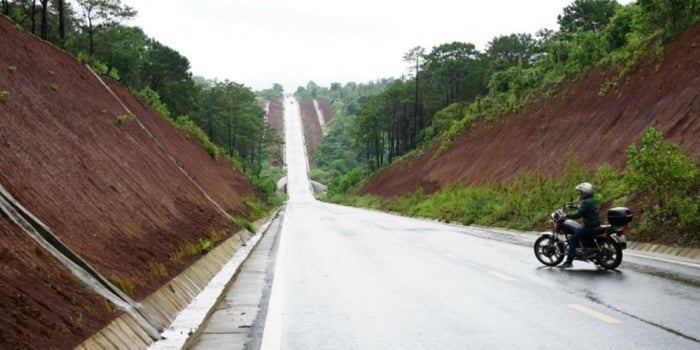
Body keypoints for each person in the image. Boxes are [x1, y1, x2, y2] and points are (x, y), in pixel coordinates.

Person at [560, 182, 601, 268]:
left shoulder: (586, 203)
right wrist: (577, 207)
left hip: (590, 227)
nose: (580, 194)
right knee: (579, 231)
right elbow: (586, 209)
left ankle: (568, 262)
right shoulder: (592, 200)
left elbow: (578, 215)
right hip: (595, 225)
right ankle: (593, 256)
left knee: (572, 240)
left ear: (585, 192)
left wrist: (567, 216)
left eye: (581, 192)